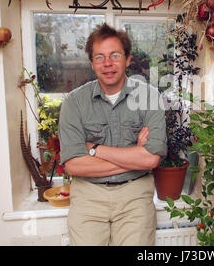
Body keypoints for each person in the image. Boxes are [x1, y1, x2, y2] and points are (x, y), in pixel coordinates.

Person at [58, 23, 167, 246]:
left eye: (115, 55)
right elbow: (74, 166)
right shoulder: (74, 103)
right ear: (91, 63)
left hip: (135, 195)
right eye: (99, 57)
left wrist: (95, 150)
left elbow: (152, 158)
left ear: (127, 59)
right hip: (88, 195)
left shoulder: (149, 96)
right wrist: (136, 158)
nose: (107, 63)